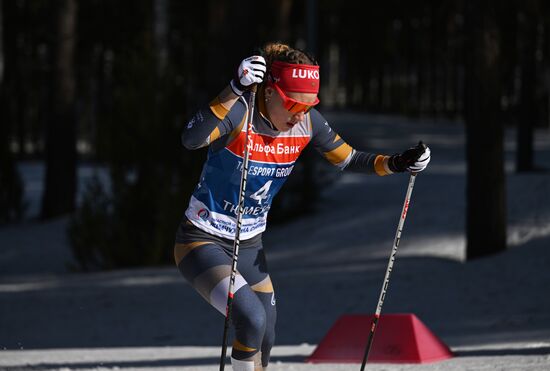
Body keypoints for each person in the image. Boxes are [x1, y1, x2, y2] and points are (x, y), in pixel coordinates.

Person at [175, 42, 431, 371]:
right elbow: (190, 139)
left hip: (250, 246)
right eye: (293, 104)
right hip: (201, 240)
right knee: (251, 320)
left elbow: (350, 158)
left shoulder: (307, 122)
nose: (299, 115)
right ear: (269, 92)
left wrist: (398, 162)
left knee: (265, 333)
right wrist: (235, 87)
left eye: (309, 107)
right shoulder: (240, 111)